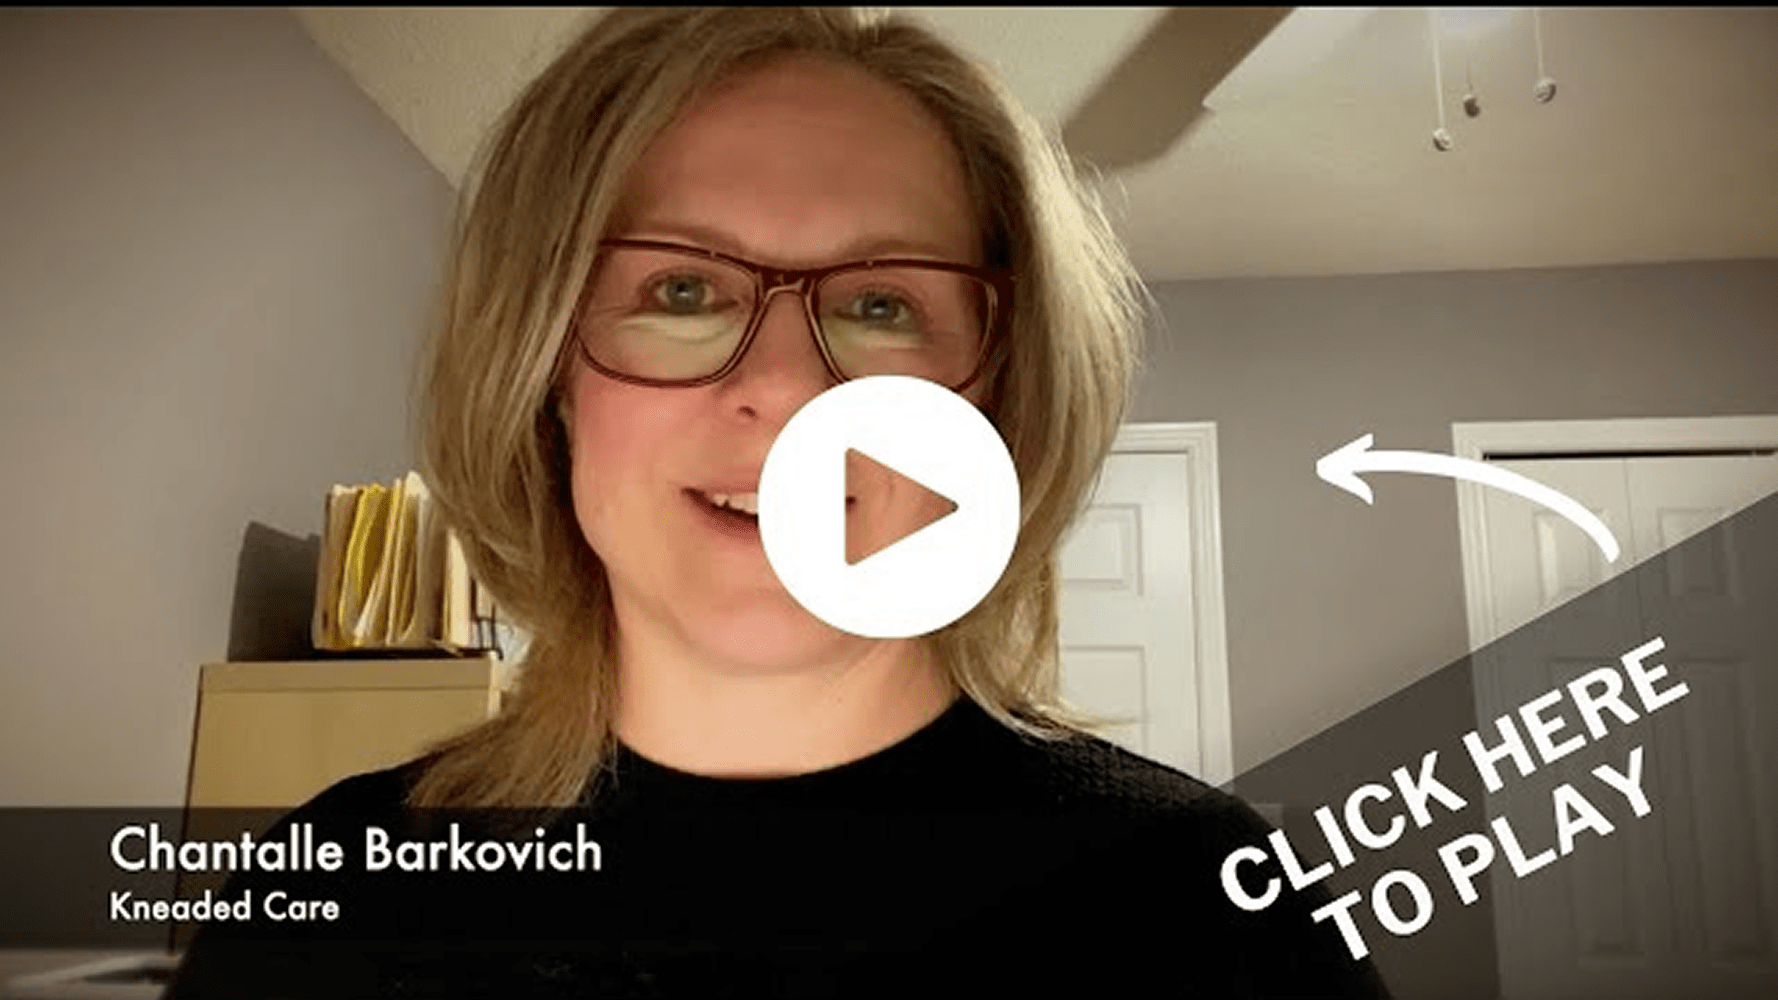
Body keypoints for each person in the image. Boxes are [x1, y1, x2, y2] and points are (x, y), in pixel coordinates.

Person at [168, 8, 1389, 998]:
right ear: (547, 378)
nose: (791, 390)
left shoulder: (1206, 908)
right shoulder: (327, 900)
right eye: (682, 290)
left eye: (881, 305)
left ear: (996, 397)